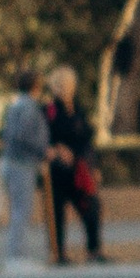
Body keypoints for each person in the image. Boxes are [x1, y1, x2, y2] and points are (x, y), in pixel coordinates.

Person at [43, 64, 104, 264]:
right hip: (58, 170)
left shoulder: (79, 109)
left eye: (68, 84)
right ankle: (58, 253)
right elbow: (43, 138)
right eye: (60, 85)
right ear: (54, 87)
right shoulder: (49, 110)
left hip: (80, 169)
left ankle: (94, 250)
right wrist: (57, 149)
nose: (65, 88)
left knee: (91, 207)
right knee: (56, 213)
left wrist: (93, 167)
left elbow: (87, 139)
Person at [0, 69, 51, 271]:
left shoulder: (16, 104)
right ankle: (16, 256)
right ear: (36, 86)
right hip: (22, 164)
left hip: (13, 162)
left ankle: (16, 254)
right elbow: (24, 134)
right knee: (22, 210)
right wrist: (43, 150)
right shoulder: (29, 107)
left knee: (19, 210)